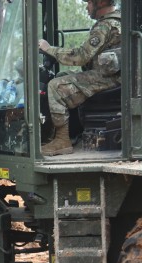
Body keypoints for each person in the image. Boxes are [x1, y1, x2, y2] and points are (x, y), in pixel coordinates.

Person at [37, 0, 121, 156]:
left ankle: (62, 141)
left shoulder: (105, 25)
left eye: (89, 2)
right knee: (62, 75)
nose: (86, 7)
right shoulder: (117, 21)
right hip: (113, 76)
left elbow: (81, 56)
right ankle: (72, 132)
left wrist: (50, 49)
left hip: (110, 78)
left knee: (56, 86)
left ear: (100, 2)